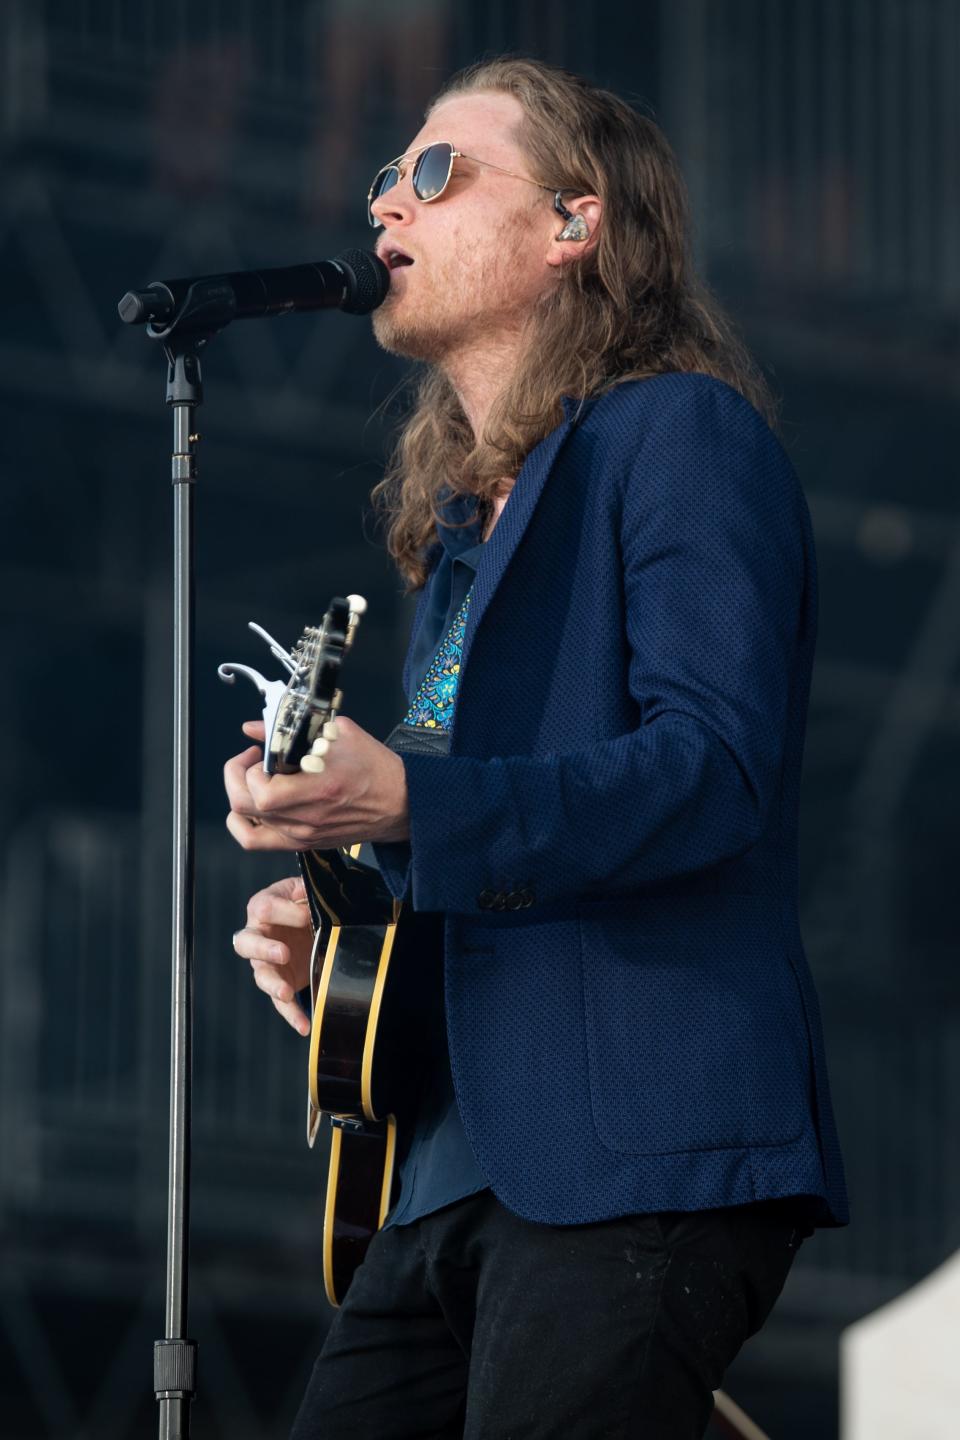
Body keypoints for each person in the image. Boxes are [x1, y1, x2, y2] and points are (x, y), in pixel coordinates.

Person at [223, 57, 848, 1440]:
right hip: (446, 1168)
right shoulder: (456, 541)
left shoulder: (679, 433)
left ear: (576, 225)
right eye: (386, 174)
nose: (389, 197)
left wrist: (408, 802)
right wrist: (345, 943)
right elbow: (492, 830)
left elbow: (710, 771)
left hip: (635, 1153)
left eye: (438, 170)